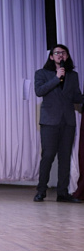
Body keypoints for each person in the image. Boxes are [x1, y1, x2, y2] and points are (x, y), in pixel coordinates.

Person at [34, 44, 84, 203]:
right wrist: (56, 78)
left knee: (65, 157)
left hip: (68, 121)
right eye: (56, 53)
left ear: (67, 56)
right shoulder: (42, 73)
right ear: (51, 57)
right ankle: (41, 191)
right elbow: (39, 91)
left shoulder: (73, 75)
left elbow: (76, 96)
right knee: (48, 156)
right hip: (50, 122)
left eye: (63, 52)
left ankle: (62, 193)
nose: (60, 55)